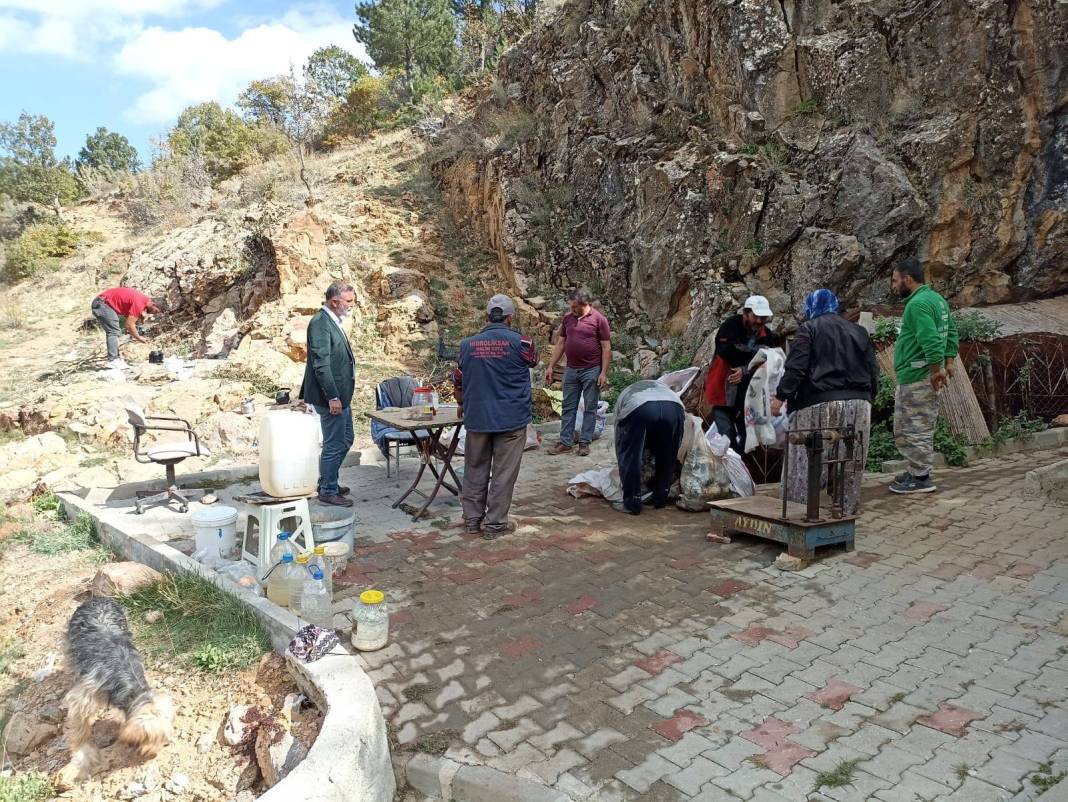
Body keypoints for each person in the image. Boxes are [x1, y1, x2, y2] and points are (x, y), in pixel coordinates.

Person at [772, 289, 879, 516]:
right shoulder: (859, 332)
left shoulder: (809, 329)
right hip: (859, 405)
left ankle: (797, 512)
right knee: (849, 460)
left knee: (804, 462)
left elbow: (797, 368)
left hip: (818, 404)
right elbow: (873, 370)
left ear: (811, 308)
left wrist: (780, 396)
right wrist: (869, 399)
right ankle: (845, 512)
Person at [453, 294, 539, 539]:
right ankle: (495, 525)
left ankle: (471, 520)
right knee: (503, 472)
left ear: (486, 316)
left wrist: (461, 402)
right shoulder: (523, 343)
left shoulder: (467, 345)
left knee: (474, 469)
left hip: (478, 417)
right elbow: (533, 361)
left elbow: (458, 378)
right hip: (511, 418)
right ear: (510, 318)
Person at [888, 257, 959, 494]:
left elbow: (930, 341)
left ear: (908, 279)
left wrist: (935, 371)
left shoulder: (917, 305)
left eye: (896, 281)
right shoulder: (937, 300)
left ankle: (920, 478)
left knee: (912, 427)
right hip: (924, 375)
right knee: (920, 425)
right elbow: (951, 333)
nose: (894, 286)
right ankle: (916, 470)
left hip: (917, 377)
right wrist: (948, 363)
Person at [299, 281, 357, 508]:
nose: (352, 305)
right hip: (331, 397)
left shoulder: (332, 320)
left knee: (346, 438)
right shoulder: (320, 323)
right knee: (335, 443)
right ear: (335, 302)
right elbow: (320, 364)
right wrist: (332, 396)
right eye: (349, 301)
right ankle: (328, 490)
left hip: (342, 396)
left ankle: (328, 480)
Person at [703, 295, 778, 453]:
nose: (759, 321)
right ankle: (733, 465)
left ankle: (741, 467)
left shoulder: (768, 336)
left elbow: (768, 359)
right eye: (756, 316)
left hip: (747, 393)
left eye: (763, 317)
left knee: (747, 437)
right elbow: (726, 350)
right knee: (727, 436)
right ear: (746, 313)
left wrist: (744, 370)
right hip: (723, 386)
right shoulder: (731, 325)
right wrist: (754, 356)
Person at [545, 289, 612, 457]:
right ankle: (566, 442)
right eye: (571, 307)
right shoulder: (568, 319)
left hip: (592, 369)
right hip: (571, 370)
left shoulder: (599, 320)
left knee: (590, 407)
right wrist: (551, 366)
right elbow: (561, 343)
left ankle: (584, 442)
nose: (572, 310)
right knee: (568, 407)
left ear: (585, 304)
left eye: (575, 307)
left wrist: (603, 372)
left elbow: (606, 348)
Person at [612, 379, 686, 515]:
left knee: (631, 456)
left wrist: (627, 455)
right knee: (668, 454)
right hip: (675, 408)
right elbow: (671, 441)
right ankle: (661, 497)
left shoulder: (627, 395)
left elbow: (622, 442)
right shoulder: (665, 389)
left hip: (640, 408)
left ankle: (632, 503)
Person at [91, 287, 161, 367]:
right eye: (156, 311)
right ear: (153, 304)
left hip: (103, 302)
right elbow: (129, 325)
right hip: (102, 304)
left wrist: (139, 322)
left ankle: (115, 358)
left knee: (114, 331)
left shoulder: (142, 300)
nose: (154, 313)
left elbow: (130, 318)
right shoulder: (140, 303)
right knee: (113, 331)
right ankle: (113, 360)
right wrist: (138, 337)